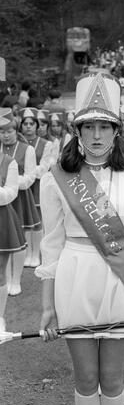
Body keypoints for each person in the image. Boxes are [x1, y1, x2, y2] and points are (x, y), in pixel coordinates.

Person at [35, 71, 124, 405]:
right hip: (75, 279)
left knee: (113, 378)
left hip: (119, 281)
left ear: (117, 130)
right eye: (87, 127)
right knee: (86, 378)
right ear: (76, 131)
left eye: (104, 127)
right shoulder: (56, 177)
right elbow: (52, 246)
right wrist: (47, 307)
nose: (95, 135)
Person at [0, 108, 40, 291]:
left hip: (20, 197)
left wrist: (13, 182)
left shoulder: (27, 149)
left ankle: (16, 279)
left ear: (16, 131)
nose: (6, 135)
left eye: (9, 131)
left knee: (17, 238)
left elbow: (31, 177)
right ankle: (6, 279)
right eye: (2, 131)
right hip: (5, 196)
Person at [0, 108, 26, 328]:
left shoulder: (9, 162)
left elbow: (11, 192)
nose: (4, 135)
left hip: (2, 218)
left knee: (0, 270)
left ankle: (0, 317)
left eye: (7, 131)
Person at [20, 107, 52, 267]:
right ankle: (27, 254)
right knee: (25, 219)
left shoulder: (46, 144)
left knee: (37, 220)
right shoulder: (17, 144)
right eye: (25, 123)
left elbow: (46, 165)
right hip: (21, 186)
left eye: (31, 123)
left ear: (37, 125)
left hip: (37, 185)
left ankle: (36, 254)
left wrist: (30, 173)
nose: (28, 126)